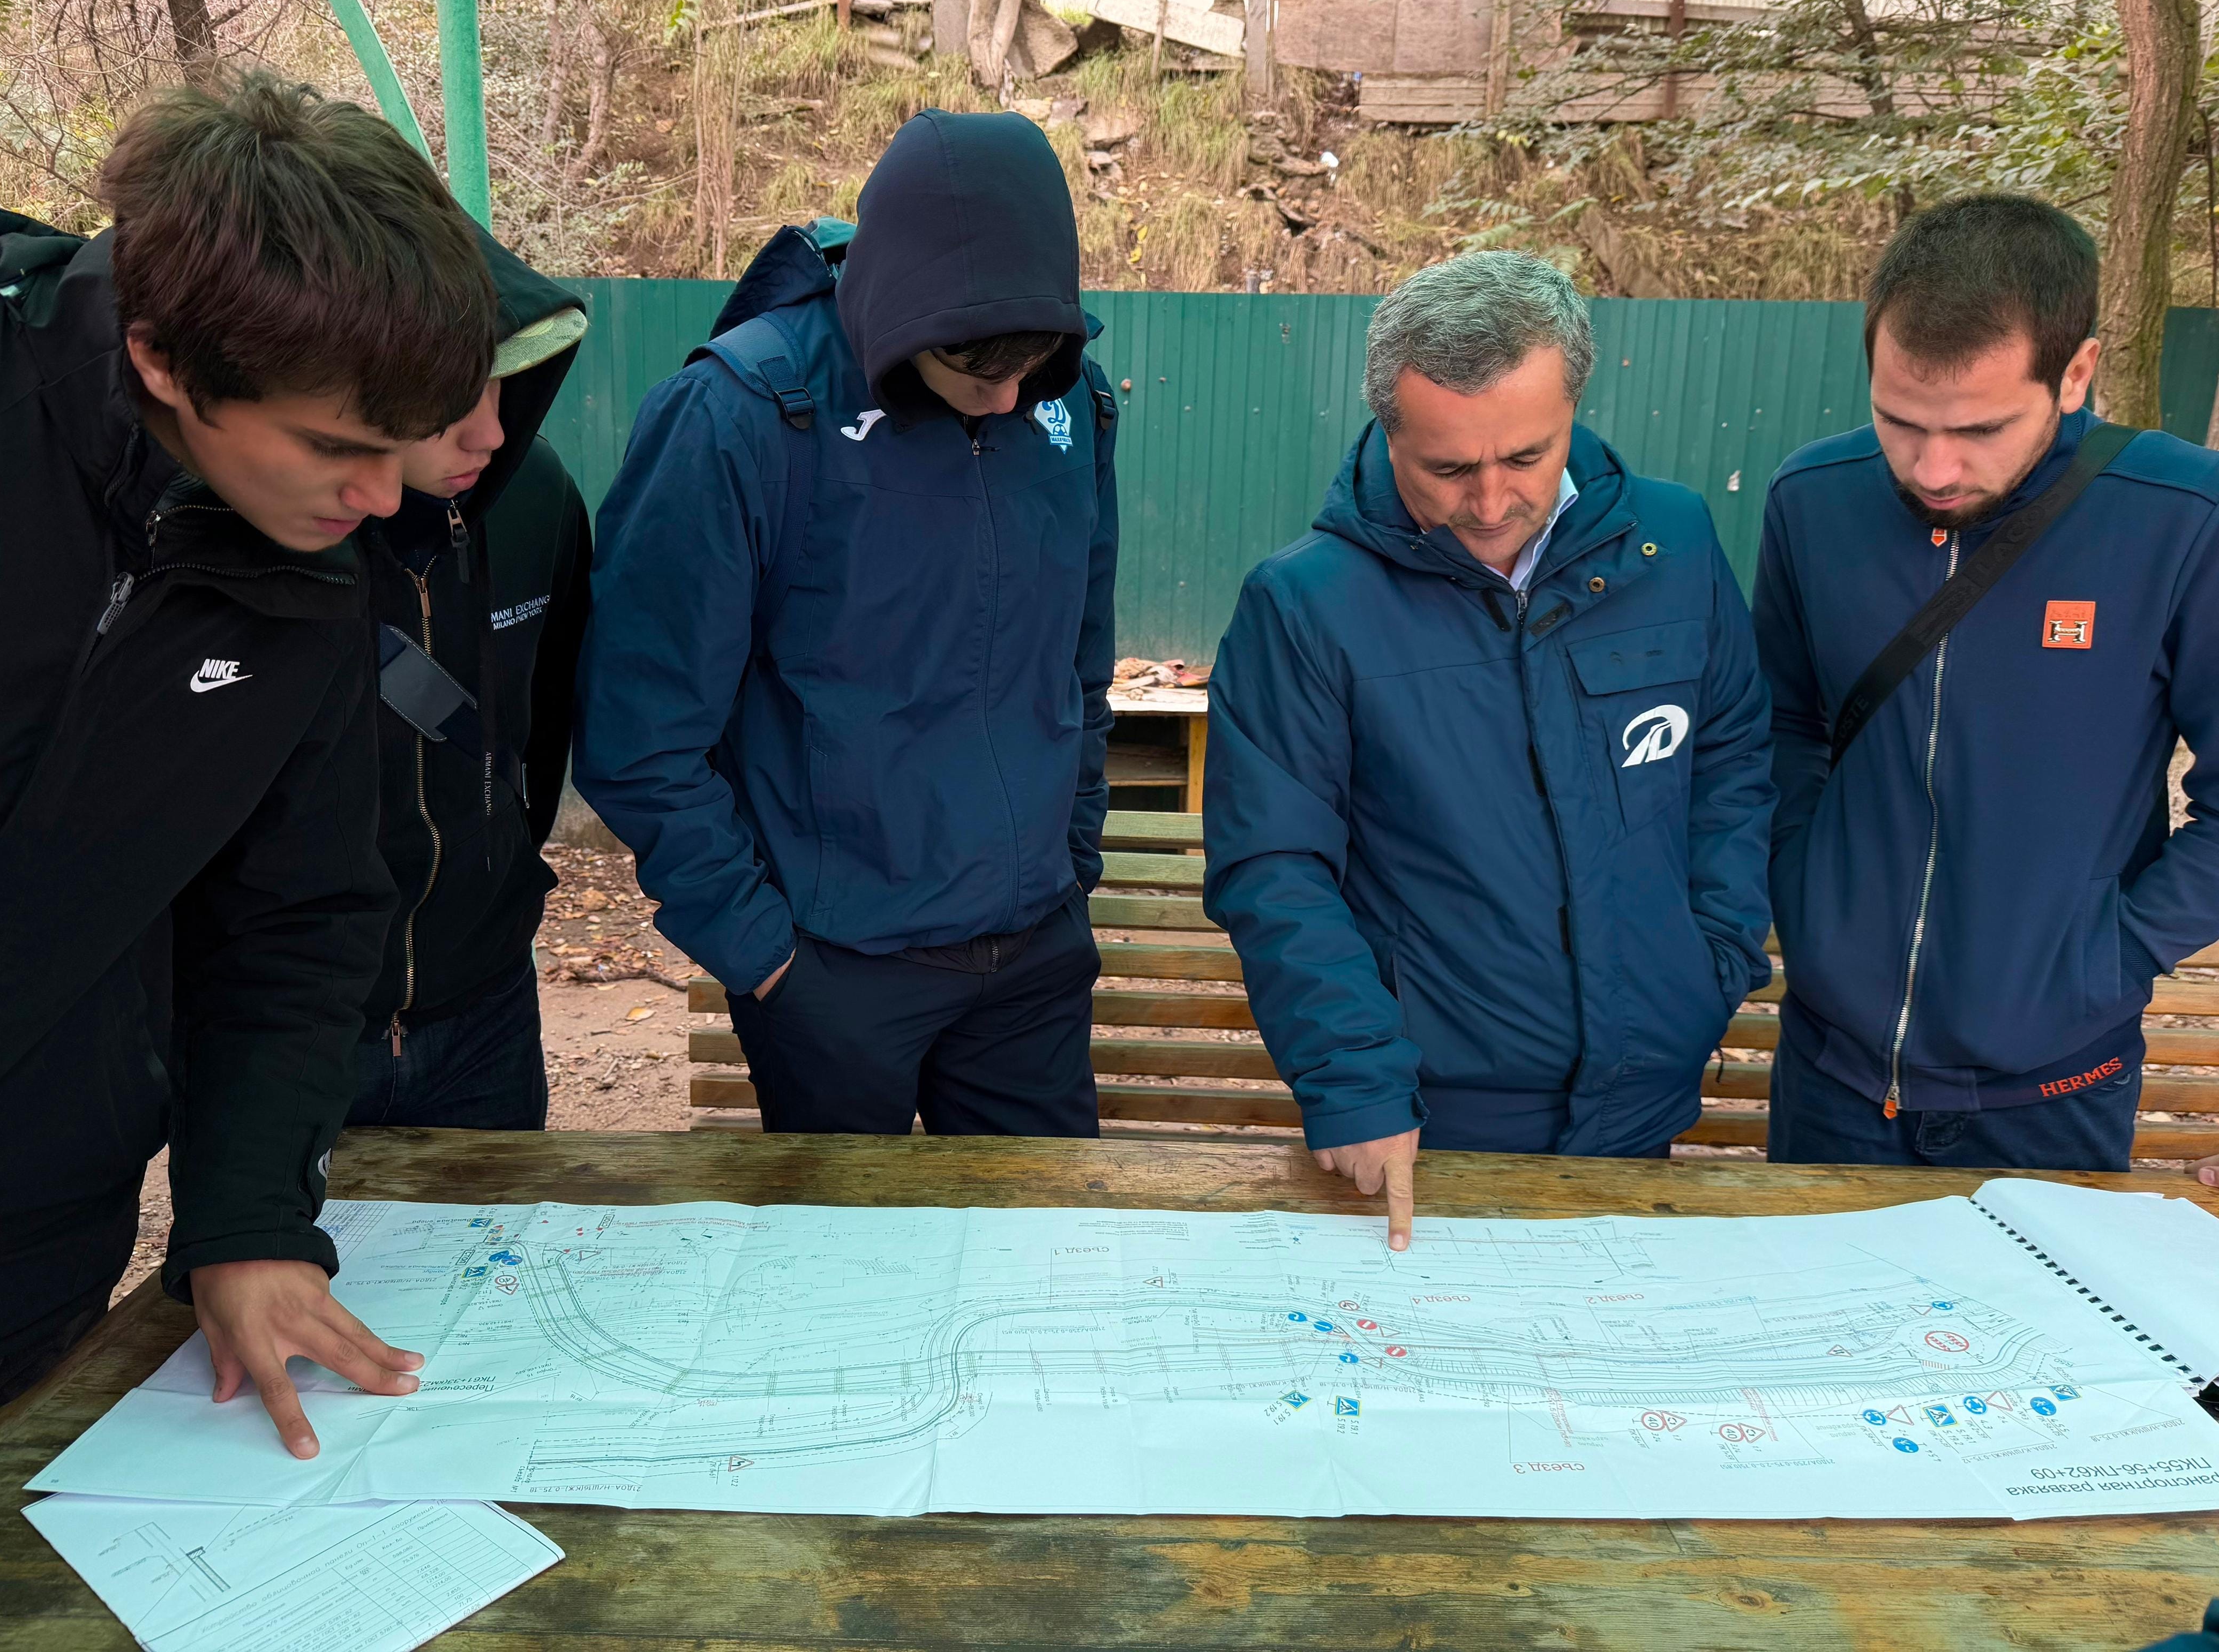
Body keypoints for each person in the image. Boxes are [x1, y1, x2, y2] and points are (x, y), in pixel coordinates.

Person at [0, 76, 496, 1453]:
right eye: (337, 447)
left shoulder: (309, 572)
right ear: (165, 361)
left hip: (30, 1242)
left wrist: (251, 1218)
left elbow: (299, 913)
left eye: (400, 449)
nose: (380, 498)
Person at [1203, 252, 1775, 1249]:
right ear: (1389, 430)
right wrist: (1355, 1080)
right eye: (1449, 469)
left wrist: (1709, 960)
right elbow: (1276, 865)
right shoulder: (1304, 605)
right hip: (1432, 1114)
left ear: (1575, 407)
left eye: (1526, 456)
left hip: (1644, 1083)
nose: (1492, 500)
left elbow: (1731, 758)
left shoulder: (1675, 543)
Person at [574, 109, 1118, 1138]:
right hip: (833, 969)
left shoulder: (1068, 404)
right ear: (904, 321)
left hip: (1033, 956)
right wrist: (765, 954)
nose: (1008, 402)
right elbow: (638, 733)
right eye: (979, 377)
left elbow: (1080, 666)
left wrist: (1072, 862)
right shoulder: (739, 414)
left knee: (1044, 1232)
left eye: (1032, 368)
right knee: (842, 1244)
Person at [1754, 194, 2219, 1173]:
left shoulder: (2182, 519)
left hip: (2054, 1090)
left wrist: (2112, 958)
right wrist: (1805, 884)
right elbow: (1783, 724)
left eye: (1980, 428)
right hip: (1831, 1074)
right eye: (1898, 420)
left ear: (2076, 373)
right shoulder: (1811, 499)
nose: (1934, 467)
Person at [349, 232, 591, 1128]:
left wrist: (504, 868)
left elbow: (546, 720)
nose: (490, 428)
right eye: (451, 393)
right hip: (296, 1023)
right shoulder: (261, 520)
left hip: (488, 1002)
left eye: (500, 382)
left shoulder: (537, 494)